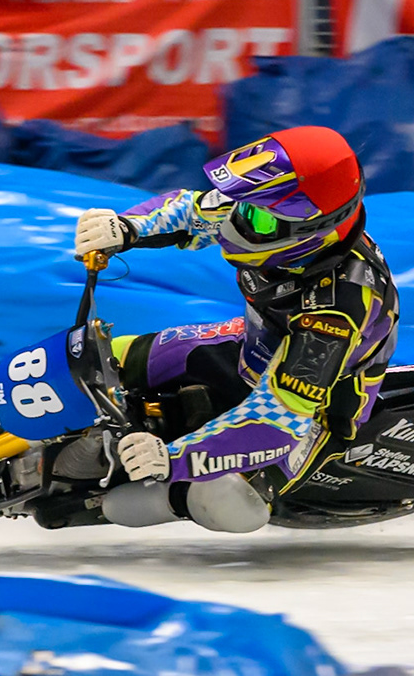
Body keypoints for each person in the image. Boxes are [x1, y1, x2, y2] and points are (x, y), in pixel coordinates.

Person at [69, 127, 397, 535]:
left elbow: (276, 420)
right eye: (243, 205)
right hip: (252, 347)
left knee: (224, 498)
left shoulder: (337, 312)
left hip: (312, 410)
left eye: (254, 214)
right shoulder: (269, 210)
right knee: (104, 354)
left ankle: (101, 502)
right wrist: (126, 226)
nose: (235, 220)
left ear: (309, 229)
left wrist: (173, 458)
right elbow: (194, 211)